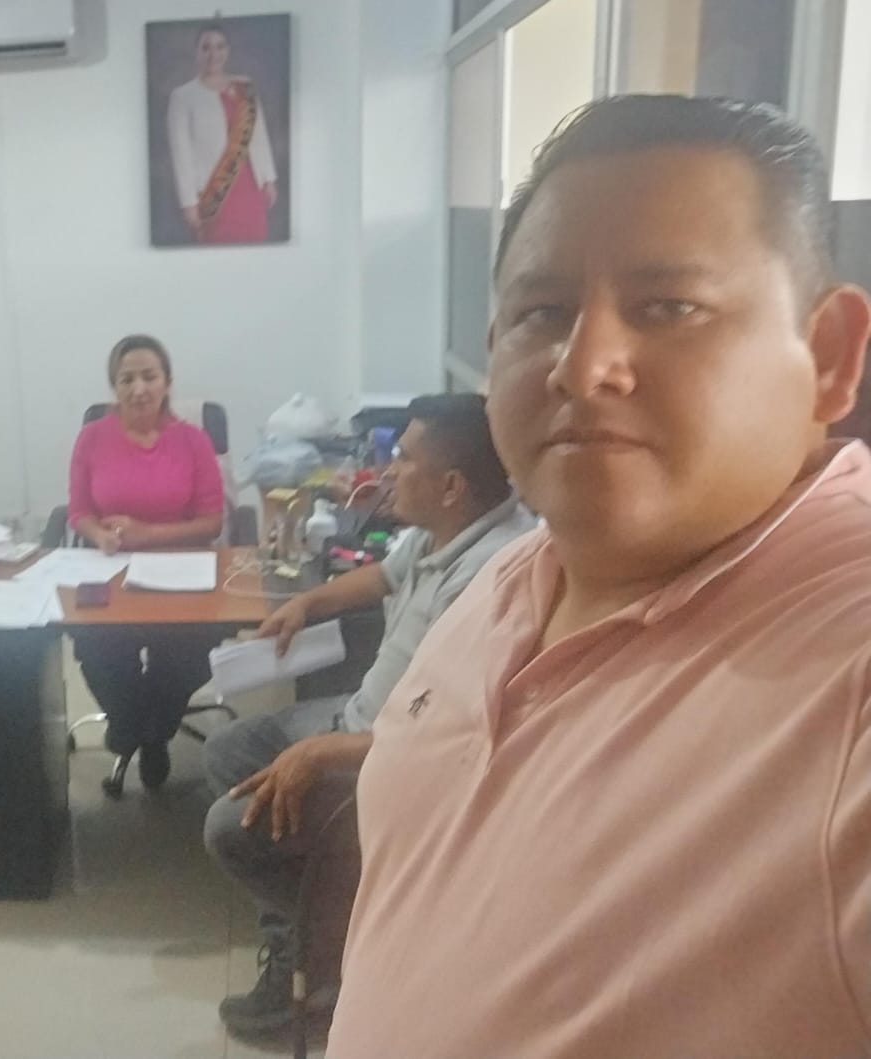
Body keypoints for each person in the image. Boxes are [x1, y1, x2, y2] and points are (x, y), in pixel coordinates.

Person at [328, 96, 871, 1057]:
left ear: (828, 357)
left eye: (669, 307)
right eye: (542, 314)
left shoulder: (845, 659)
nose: (583, 368)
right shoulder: (509, 577)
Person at [203, 394, 535, 1036]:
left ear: (451, 486)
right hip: (360, 717)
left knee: (231, 830)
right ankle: (299, 936)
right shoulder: (443, 528)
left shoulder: (492, 574)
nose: (386, 471)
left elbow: (448, 730)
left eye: (402, 459)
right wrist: (307, 604)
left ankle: (328, 961)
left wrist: (322, 752)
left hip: (391, 756)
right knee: (229, 753)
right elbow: (383, 576)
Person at [68, 334, 225, 791]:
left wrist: (146, 535)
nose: (138, 389)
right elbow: (78, 512)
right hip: (112, 571)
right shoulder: (92, 438)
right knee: (95, 643)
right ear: (114, 387)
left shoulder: (192, 441)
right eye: (126, 379)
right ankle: (132, 725)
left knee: (187, 648)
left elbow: (211, 522)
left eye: (149, 377)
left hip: (182, 573)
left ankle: (150, 735)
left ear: (166, 382)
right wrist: (99, 535)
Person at [167, 20, 279, 244]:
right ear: (196, 52)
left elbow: (259, 135)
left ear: (228, 50)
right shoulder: (182, 96)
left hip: (250, 187)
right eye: (206, 47)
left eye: (220, 47)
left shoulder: (245, 86)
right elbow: (181, 154)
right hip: (214, 193)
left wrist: (269, 178)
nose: (213, 54)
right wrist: (188, 203)